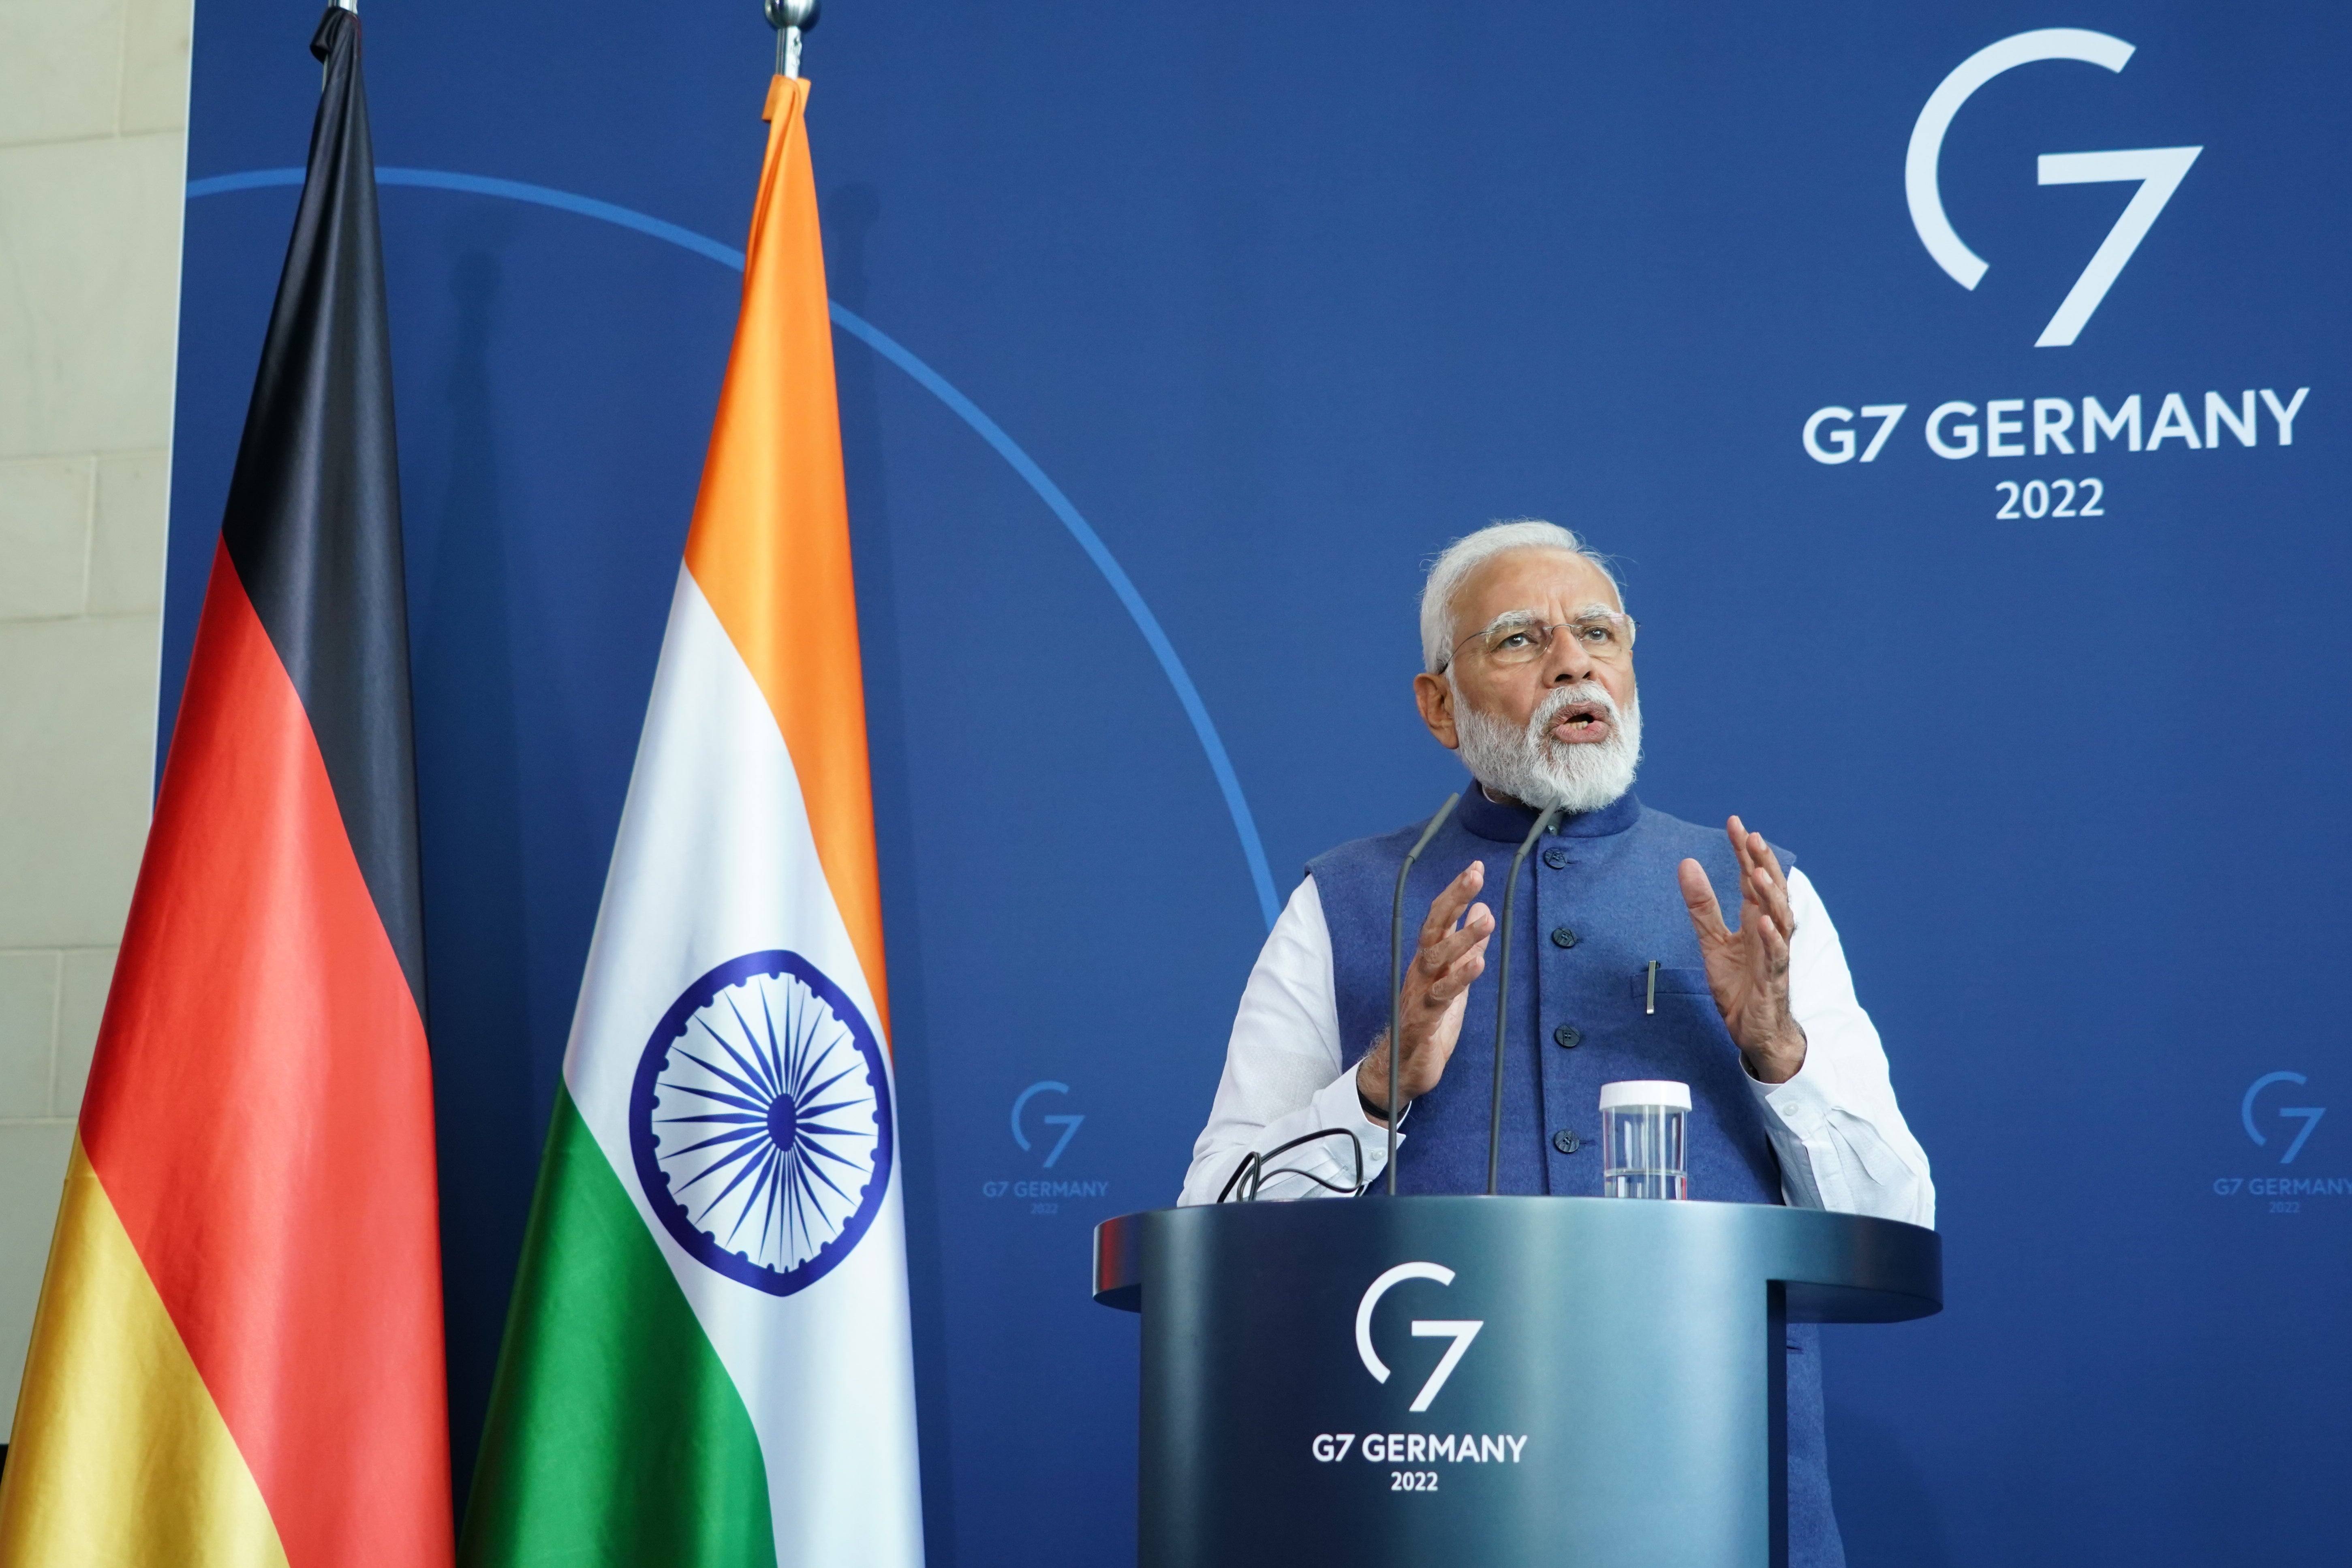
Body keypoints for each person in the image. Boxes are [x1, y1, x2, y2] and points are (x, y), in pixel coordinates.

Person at [1178, 519, 1933, 1568]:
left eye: (1597, 635)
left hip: (1717, 1497)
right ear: (1437, 705)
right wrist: (1374, 1087)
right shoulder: (1338, 904)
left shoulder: (1761, 894)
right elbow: (1213, 1229)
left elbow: (1894, 1223)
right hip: (1419, 1506)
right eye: (1519, 641)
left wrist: (1778, 1056)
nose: (1573, 661)